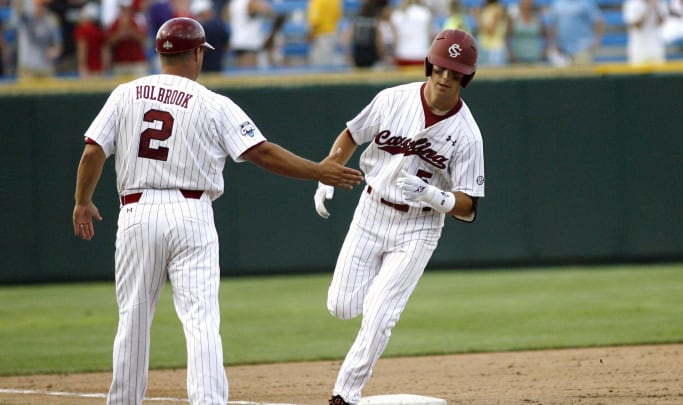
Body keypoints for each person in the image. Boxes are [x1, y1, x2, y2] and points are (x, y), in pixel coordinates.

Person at [72, 17, 363, 405]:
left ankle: (123, 401)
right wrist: (317, 170)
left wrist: (82, 202)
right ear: (196, 54)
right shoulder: (213, 103)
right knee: (201, 320)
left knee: (133, 320)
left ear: (160, 53)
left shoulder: (126, 93)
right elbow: (261, 152)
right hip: (192, 213)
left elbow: (93, 150)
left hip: (137, 212)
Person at [313, 28, 485, 405]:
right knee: (341, 306)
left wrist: (435, 195)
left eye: (454, 73)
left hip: (419, 227)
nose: (444, 77)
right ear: (429, 65)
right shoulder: (392, 99)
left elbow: (469, 205)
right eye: (440, 68)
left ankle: (345, 393)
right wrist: (327, 173)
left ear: (464, 78)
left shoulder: (468, 134)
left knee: (380, 313)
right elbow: (351, 134)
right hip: (372, 210)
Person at [545, 0, 605, 65]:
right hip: (562, 50)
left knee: (581, 73)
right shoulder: (558, 3)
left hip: (583, 48)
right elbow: (552, 24)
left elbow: (599, 22)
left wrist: (597, 41)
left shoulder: (586, 3)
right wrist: (553, 43)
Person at [15, 0, 63, 79]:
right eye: (41, 5)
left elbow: (57, 44)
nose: (43, 8)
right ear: (34, 6)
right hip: (28, 68)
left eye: (45, 6)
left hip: (45, 68)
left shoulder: (50, 22)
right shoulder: (27, 20)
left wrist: (55, 50)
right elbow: (18, 8)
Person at [106, 0, 149, 76]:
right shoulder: (114, 22)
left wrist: (131, 31)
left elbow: (144, 40)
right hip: (120, 63)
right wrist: (120, 33)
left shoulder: (138, 20)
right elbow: (109, 42)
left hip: (137, 62)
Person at [227, 0, 274, 68]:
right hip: (249, 43)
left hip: (238, 40)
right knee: (248, 73)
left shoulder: (234, 2)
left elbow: (226, 16)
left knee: (241, 73)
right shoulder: (251, 2)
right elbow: (267, 11)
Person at [342, 0, 386, 68]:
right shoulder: (374, 23)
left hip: (358, 56)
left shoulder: (356, 22)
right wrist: (382, 56)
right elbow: (379, 43)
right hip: (371, 57)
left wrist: (348, 55)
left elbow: (345, 40)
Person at [623, 0, 668, 64]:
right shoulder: (632, 4)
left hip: (656, 48)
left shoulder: (659, 2)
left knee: (659, 73)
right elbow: (637, 26)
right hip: (638, 49)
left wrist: (657, 8)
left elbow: (662, 22)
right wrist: (649, 8)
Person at [390, 0, 435, 66]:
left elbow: (395, 39)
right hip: (421, 54)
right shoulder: (425, 13)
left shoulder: (396, 14)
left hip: (402, 54)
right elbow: (430, 36)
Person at [190, 0, 229, 72]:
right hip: (214, 63)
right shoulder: (218, 24)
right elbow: (226, 44)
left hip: (206, 64)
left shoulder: (200, 27)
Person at [74, 1, 109, 78]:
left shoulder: (82, 30)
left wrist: (82, 66)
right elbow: (105, 51)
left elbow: (82, 49)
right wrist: (105, 68)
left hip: (88, 70)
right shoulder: (99, 30)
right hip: (100, 69)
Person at [507, 0, 547, 64]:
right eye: (525, 4)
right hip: (517, 57)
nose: (527, 6)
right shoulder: (514, 19)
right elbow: (507, 37)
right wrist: (510, 54)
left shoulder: (538, 19)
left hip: (535, 57)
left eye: (529, 4)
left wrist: (544, 52)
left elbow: (546, 36)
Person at [473, 0, 510, 66]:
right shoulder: (486, 9)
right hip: (485, 46)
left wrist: (478, 16)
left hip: (495, 49)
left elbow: (490, 30)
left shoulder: (498, 9)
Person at [306, 0, 343, 66]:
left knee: (319, 66)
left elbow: (315, 22)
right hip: (332, 34)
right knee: (329, 64)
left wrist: (310, 35)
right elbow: (338, 16)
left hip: (321, 36)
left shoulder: (317, 1)